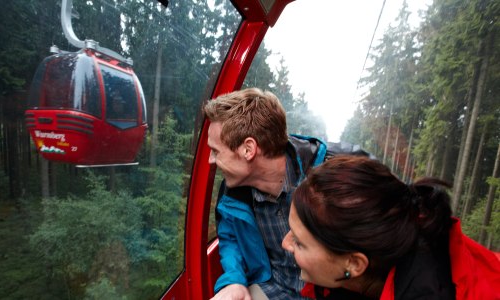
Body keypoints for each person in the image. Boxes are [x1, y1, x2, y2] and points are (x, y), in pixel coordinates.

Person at [282, 155, 500, 300]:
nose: (285, 242)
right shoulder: (356, 273)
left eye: (299, 242)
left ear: (354, 263)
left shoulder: (434, 290)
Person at [204, 87, 328, 300]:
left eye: (216, 151)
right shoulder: (233, 193)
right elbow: (230, 237)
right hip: (274, 286)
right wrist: (234, 280)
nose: (210, 161)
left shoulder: (329, 177)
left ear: (248, 149)